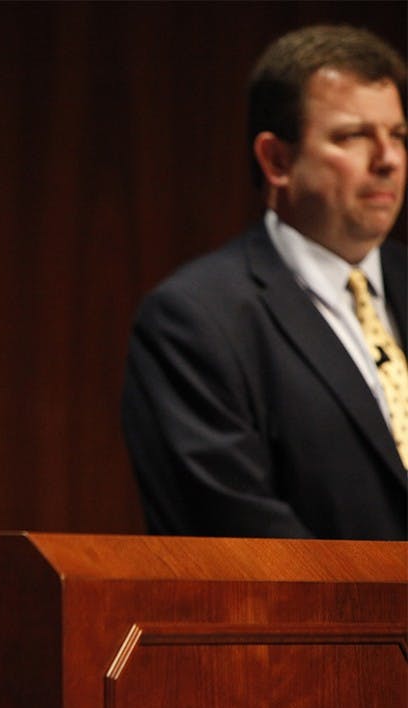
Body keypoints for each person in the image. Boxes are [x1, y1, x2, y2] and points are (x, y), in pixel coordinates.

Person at [122, 26, 407, 540]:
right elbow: (244, 545)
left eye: (399, 136)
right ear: (277, 160)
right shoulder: (196, 320)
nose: (388, 159)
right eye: (353, 136)